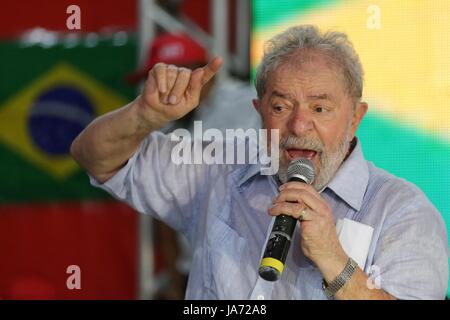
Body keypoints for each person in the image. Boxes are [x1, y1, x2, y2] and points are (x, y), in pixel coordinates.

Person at [71, 25, 448, 299]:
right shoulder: (215, 168)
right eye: (281, 106)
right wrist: (145, 116)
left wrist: (336, 262)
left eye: (320, 108)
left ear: (355, 118)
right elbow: (93, 157)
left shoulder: (403, 211)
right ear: (258, 111)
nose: (299, 126)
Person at [127, 31, 259, 299]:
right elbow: (162, 210)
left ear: (201, 73)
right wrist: (176, 278)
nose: (162, 92)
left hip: (252, 265)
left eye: (171, 80)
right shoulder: (165, 128)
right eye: (154, 82)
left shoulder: (249, 103)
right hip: (197, 267)